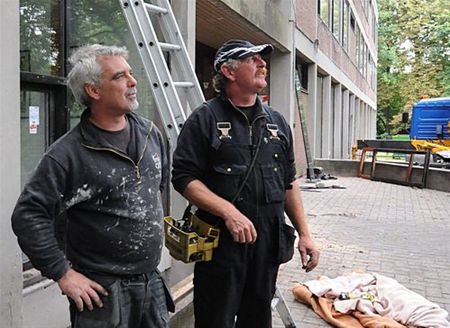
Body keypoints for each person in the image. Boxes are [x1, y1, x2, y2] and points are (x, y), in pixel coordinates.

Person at [11, 44, 173, 328]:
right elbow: (28, 216)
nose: (133, 82)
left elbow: (156, 187)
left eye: (131, 73)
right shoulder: (68, 155)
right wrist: (63, 273)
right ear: (94, 91)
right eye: (119, 76)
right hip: (103, 295)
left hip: (151, 282)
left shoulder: (151, 134)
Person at [171, 39, 320, 328]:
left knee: (258, 318)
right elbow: (184, 178)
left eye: (262, 59)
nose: (263, 64)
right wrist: (228, 212)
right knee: (216, 320)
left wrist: (306, 234)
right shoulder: (205, 119)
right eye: (253, 59)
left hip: (267, 242)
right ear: (228, 71)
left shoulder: (276, 122)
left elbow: (288, 182)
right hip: (221, 244)